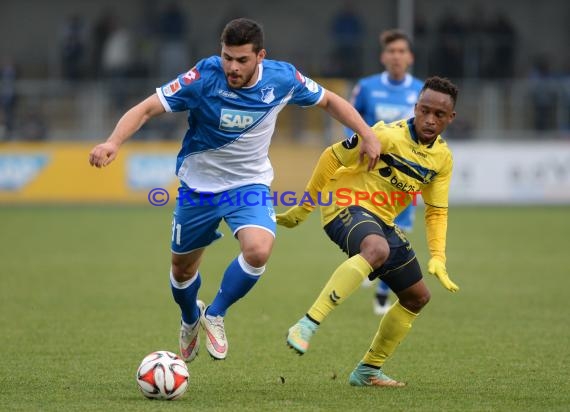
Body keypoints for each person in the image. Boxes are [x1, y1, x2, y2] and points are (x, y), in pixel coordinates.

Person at [88, 18, 380, 363]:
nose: (232, 67)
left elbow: (330, 101)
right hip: (198, 188)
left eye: (242, 60)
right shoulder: (203, 77)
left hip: (248, 185)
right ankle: (189, 318)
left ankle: (215, 314)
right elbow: (148, 108)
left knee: (258, 250)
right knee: (182, 271)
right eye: (227, 57)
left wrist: (367, 133)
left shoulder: (282, 78)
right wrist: (113, 142)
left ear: (260, 57)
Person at [277, 76, 460, 387]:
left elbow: (436, 210)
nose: (430, 120)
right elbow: (331, 156)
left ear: (450, 118)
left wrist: (439, 256)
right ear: (415, 108)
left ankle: (368, 371)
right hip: (343, 205)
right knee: (376, 250)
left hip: (382, 221)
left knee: (417, 297)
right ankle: (306, 324)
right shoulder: (385, 136)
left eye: (439, 115)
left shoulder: (442, 159)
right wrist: (305, 208)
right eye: (425, 111)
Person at [347, 29, 424, 315]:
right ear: (383, 56)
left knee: (398, 231)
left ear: (410, 57)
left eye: (402, 51)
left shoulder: (420, 89)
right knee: (369, 225)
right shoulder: (366, 87)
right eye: (392, 51)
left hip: (404, 175)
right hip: (370, 172)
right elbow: (349, 118)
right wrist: (355, 146)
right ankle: (371, 264)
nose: (396, 56)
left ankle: (382, 290)